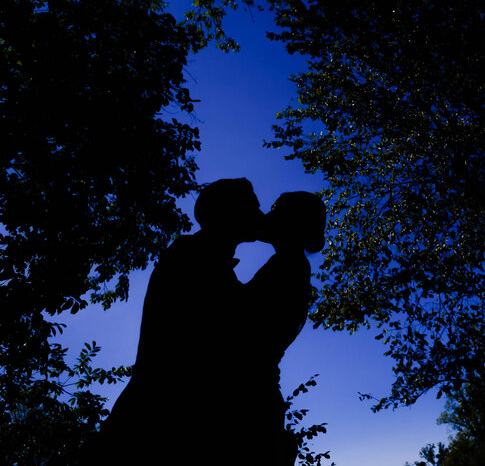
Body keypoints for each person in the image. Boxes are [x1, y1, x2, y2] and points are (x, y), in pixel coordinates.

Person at [87, 178, 265, 465]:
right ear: (229, 212)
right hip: (159, 420)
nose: (261, 215)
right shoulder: (194, 257)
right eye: (253, 208)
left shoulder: (202, 257)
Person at [233, 191, 327, 465]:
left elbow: (243, 318)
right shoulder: (291, 265)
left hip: (249, 397)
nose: (267, 217)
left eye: (276, 212)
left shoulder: (289, 266)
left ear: (292, 224)